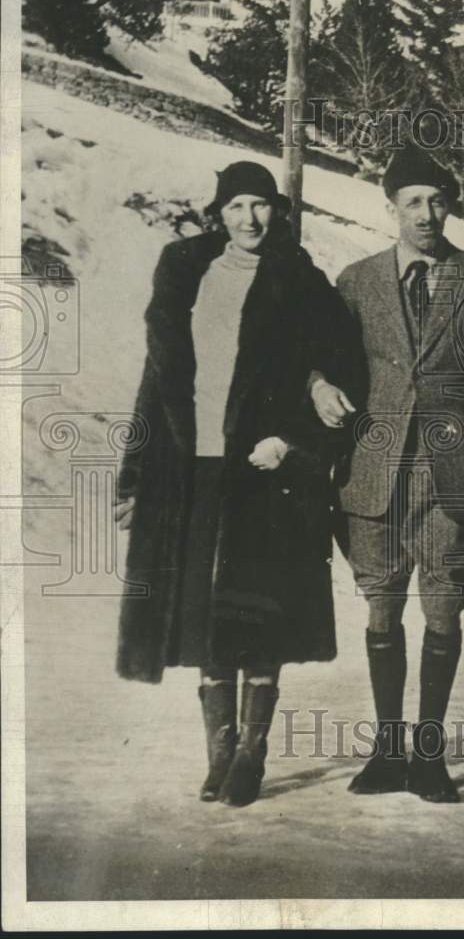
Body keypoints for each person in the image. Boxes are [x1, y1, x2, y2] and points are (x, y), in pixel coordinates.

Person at [115, 161, 337, 808]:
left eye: (261, 205)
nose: (249, 218)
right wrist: (133, 476)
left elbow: (330, 369)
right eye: (237, 205)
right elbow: (155, 383)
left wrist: (292, 441)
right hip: (193, 468)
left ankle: (250, 754)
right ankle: (218, 752)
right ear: (218, 213)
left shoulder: (298, 281)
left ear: (277, 212)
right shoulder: (187, 275)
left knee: (256, 612)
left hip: (265, 471)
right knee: (205, 616)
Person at [311, 143, 464, 804]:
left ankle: (427, 757)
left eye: (436, 201)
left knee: (441, 607)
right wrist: (316, 384)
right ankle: (385, 752)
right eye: (412, 202)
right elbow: (320, 357)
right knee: (380, 607)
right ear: (391, 208)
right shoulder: (356, 280)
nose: (426, 213)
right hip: (371, 472)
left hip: (452, 473)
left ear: (450, 206)